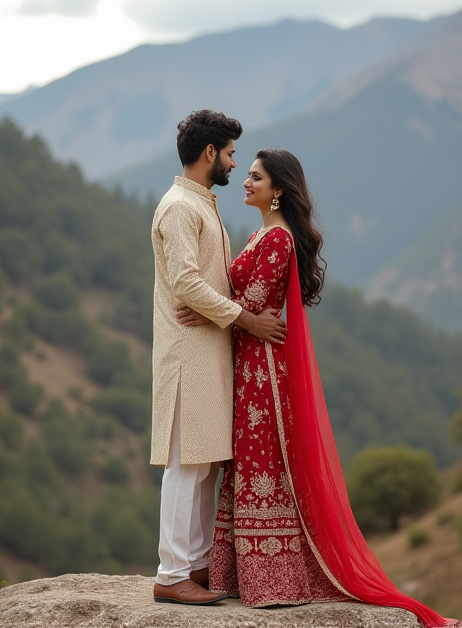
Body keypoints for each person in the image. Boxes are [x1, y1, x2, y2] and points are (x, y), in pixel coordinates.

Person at [177, 149, 458, 626]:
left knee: (260, 461)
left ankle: (273, 579)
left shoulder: (277, 240)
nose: (245, 182)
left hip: (262, 371)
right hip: (247, 365)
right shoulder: (262, 233)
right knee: (245, 461)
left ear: (278, 189)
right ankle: (238, 573)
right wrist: (212, 310)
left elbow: (253, 309)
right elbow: (245, 310)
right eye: (245, 174)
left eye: (255, 177)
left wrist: (206, 312)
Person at [150, 112, 287, 606]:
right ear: (210, 153)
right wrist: (247, 320)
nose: (233, 163)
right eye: (230, 153)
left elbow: (207, 283)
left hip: (208, 349)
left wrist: (227, 316)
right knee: (188, 462)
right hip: (188, 353)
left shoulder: (199, 204)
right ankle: (171, 572)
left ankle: (198, 563)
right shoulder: (180, 208)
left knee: (206, 460)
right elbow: (186, 281)